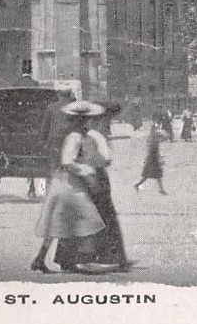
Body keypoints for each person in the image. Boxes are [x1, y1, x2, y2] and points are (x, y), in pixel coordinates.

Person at [32, 100, 133, 274]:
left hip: (64, 183)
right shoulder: (76, 136)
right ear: (84, 120)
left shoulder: (76, 134)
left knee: (61, 222)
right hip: (70, 184)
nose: (93, 122)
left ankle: (43, 259)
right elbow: (67, 161)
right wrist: (86, 170)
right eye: (91, 119)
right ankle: (84, 258)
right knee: (86, 219)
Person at [40, 87, 76, 169]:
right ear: (69, 96)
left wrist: (43, 140)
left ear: (59, 96)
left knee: (55, 163)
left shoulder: (51, 107)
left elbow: (46, 126)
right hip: (70, 139)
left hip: (55, 139)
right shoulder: (73, 107)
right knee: (69, 162)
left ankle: (56, 178)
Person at [135, 118, 168, 194]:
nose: (157, 130)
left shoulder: (152, 137)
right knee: (150, 175)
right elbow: (154, 149)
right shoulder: (153, 138)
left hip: (152, 158)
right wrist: (159, 158)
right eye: (156, 128)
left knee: (155, 175)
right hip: (152, 158)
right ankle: (137, 184)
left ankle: (161, 189)